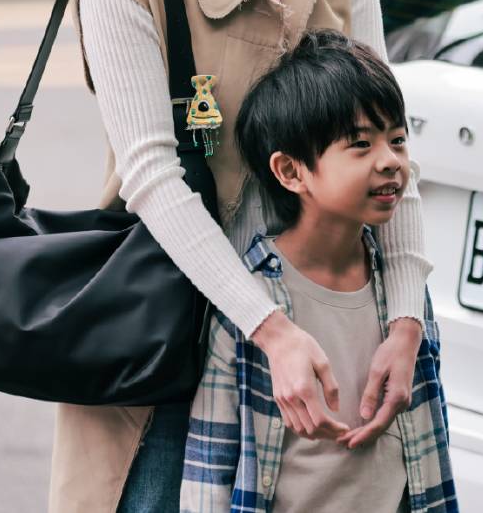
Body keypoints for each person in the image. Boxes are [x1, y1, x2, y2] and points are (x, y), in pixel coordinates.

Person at [48, 0, 433, 513]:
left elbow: (393, 155)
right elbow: (151, 174)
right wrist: (268, 328)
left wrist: (404, 320)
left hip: (333, 335)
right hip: (173, 349)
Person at [182, 29, 456, 513]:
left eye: (397, 140)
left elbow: (429, 442)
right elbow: (209, 465)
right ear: (291, 172)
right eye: (360, 144)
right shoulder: (252, 301)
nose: (391, 162)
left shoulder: (403, 299)